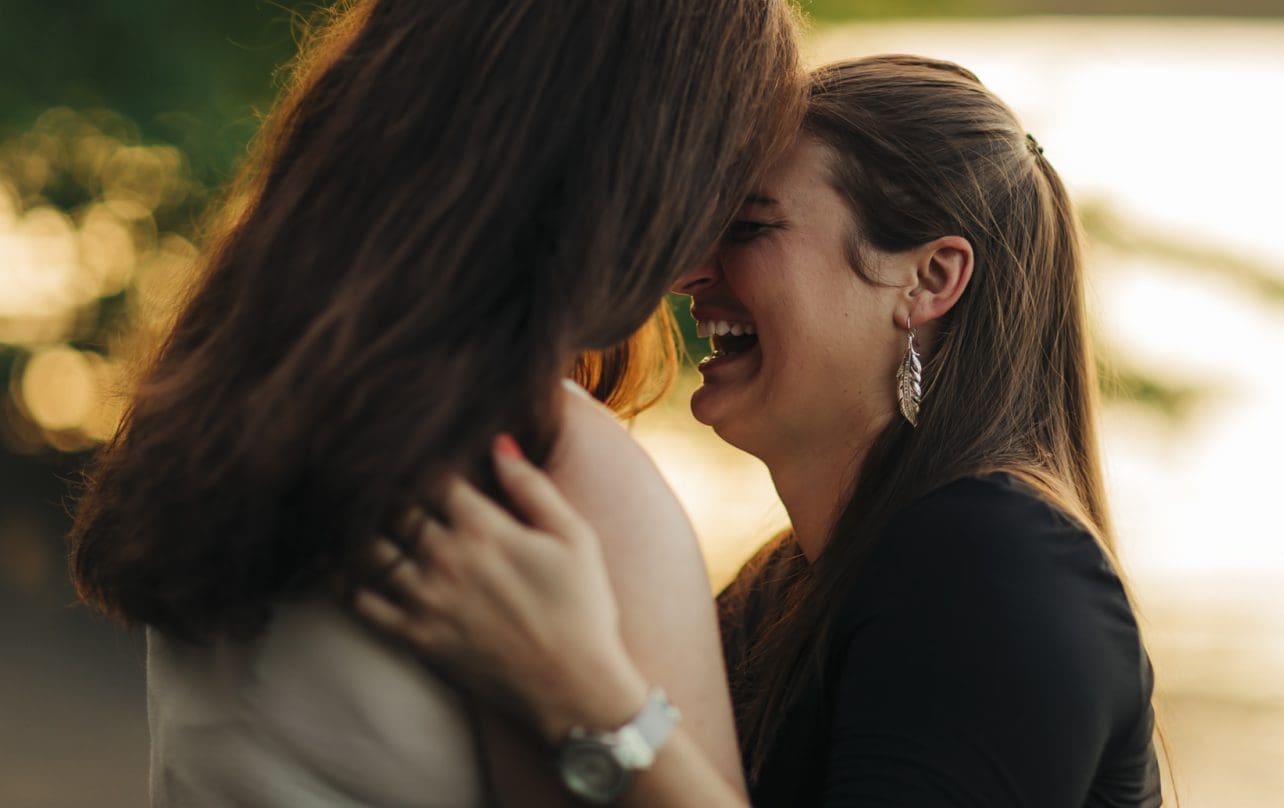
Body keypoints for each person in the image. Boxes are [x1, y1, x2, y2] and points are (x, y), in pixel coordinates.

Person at [66, 0, 802, 806]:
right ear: (635, 160)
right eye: (718, 178)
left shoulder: (236, 397)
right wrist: (600, 700)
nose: (706, 256)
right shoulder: (544, 472)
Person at [357, 55, 1164, 807]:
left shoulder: (999, 563)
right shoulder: (786, 587)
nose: (688, 275)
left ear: (928, 279)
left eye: (747, 228)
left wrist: (580, 686)